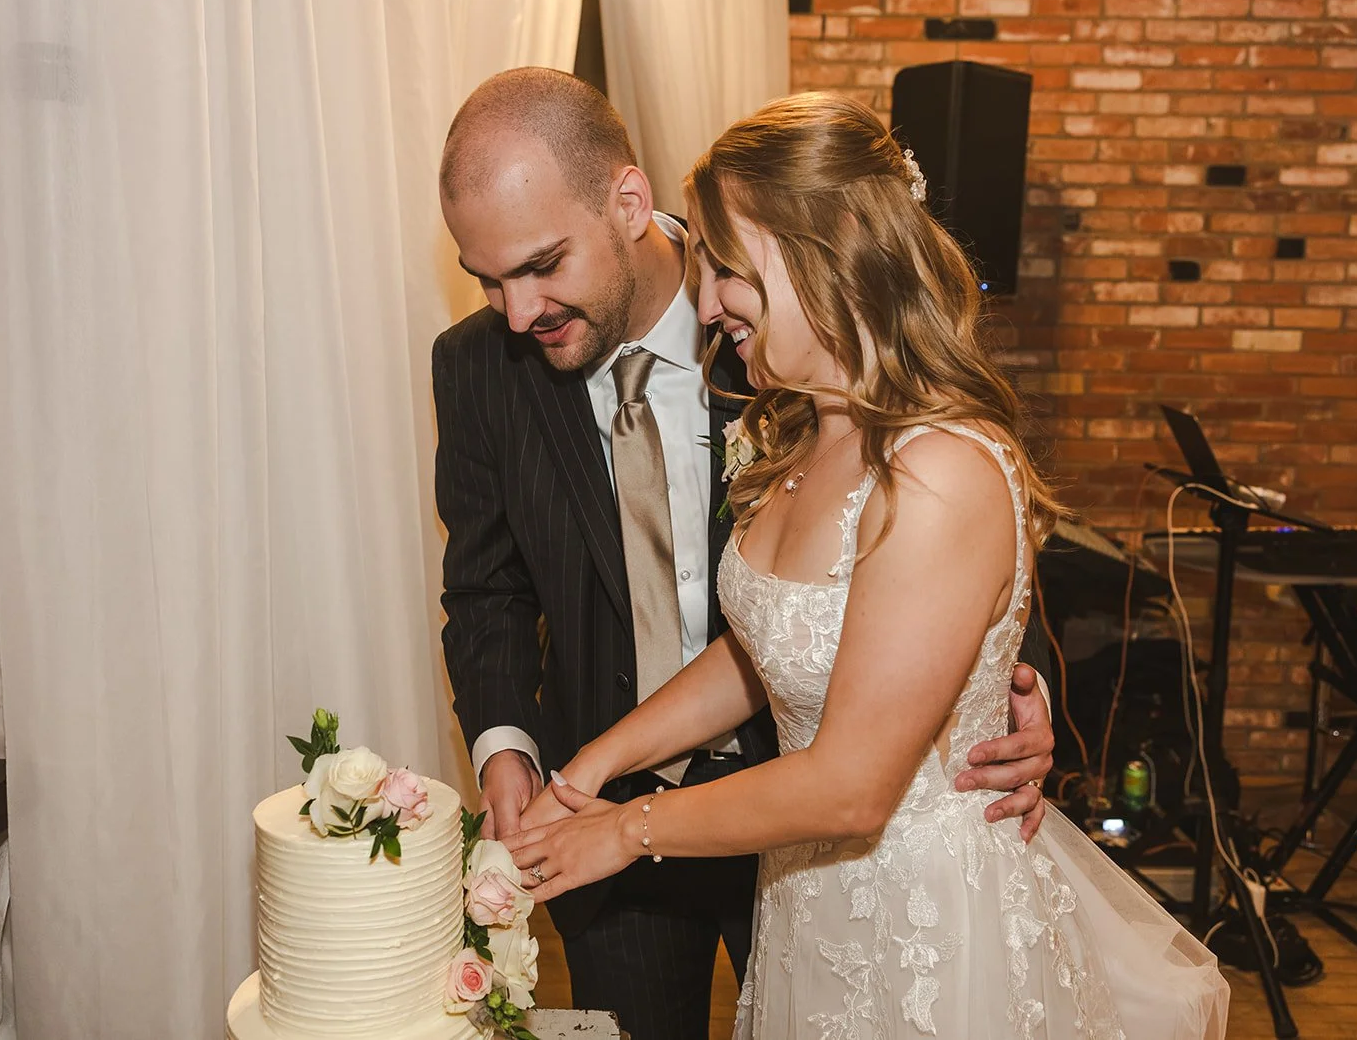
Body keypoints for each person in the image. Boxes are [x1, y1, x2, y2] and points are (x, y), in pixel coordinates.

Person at [502, 93, 1231, 1038]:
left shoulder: (940, 468)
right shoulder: (798, 428)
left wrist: (623, 830)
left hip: (926, 932)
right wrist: (591, 768)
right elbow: (764, 648)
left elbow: (853, 783)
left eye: (728, 266)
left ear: (828, 243)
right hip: (810, 907)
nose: (708, 299)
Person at [433, 69, 1059, 1040]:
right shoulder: (806, 410)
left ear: (629, 205)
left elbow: (953, 598)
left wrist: (1001, 690)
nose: (516, 313)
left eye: (543, 264)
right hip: (717, 861)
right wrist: (573, 772)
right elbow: (772, 624)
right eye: (487, 279)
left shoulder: (786, 373)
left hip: (871, 861)